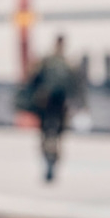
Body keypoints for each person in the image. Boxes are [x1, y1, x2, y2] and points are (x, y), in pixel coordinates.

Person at [17, 34, 86, 181]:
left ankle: (48, 158)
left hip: (44, 103)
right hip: (61, 105)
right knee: (58, 135)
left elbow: (32, 82)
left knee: (45, 134)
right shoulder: (69, 64)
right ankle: (53, 159)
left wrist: (26, 101)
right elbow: (77, 88)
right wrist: (81, 106)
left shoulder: (46, 62)